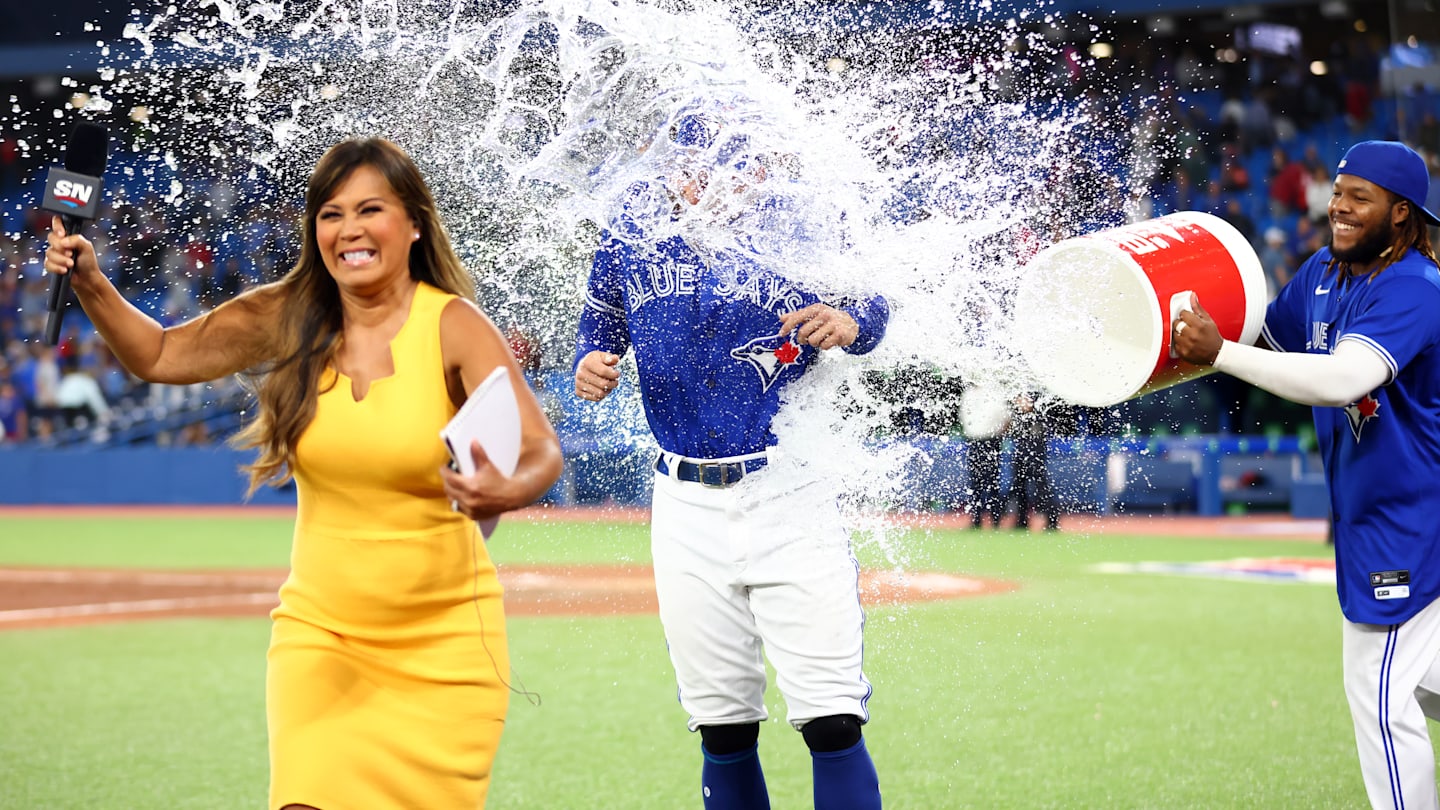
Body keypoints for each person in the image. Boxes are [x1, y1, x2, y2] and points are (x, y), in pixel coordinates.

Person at [44, 136, 564, 809]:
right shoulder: (288, 317)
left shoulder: (454, 325)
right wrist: (89, 278)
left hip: (446, 647)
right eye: (330, 213)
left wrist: (512, 487)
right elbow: (160, 354)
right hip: (322, 635)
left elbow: (540, 449)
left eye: (369, 209)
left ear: (412, 224)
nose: (348, 229)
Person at [573, 107, 888, 810]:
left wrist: (853, 322)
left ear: (761, 166)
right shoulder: (633, 225)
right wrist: (589, 362)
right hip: (683, 501)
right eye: (689, 168)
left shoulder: (802, 222)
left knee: (832, 718)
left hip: (789, 489)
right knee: (722, 727)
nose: (704, 184)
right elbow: (599, 324)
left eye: (726, 166)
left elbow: (871, 300)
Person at [1172, 140, 1440, 809]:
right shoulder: (1323, 271)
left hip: (1409, 522)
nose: (1339, 207)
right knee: (1425, 679)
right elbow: (1268, 341)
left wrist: (1222, 352)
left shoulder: (1414, 286)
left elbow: (1343, 378)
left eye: (1360, 197)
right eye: (1338, 190)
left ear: (1402, 214)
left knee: (1382, 701)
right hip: (1378, 514)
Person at [1008, 391, 1061, 532]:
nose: (1019, 403)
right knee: (1019, 489)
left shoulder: (1038, 415)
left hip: (1035, 456)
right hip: (1020, 455)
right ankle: (1021, 520)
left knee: (1041, 490)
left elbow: (1041, 434)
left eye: (1023, 400)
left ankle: (1052, 520)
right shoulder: (1019, 415)